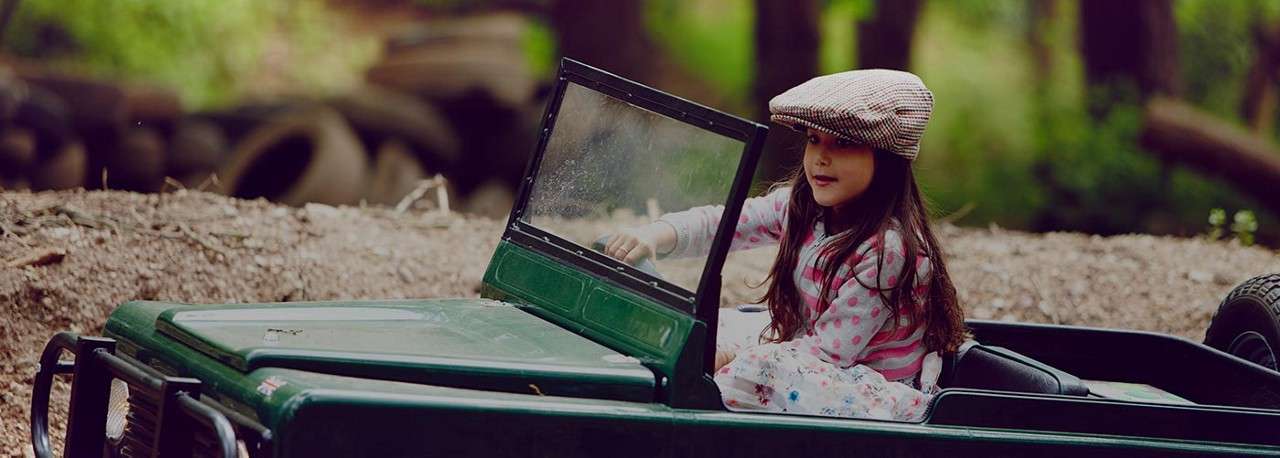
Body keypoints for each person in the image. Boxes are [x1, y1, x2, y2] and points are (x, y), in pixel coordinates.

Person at [601, 69, 966, 421]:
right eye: (813, 140)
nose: (821, 157)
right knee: (712, 326)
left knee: (756, 363)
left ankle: (690, 421)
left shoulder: (889, 250)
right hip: (811, 357)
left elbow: (829, 351)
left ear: (886, 160)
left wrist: (730, 357)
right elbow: (725, 222)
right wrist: (655, 235)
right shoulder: (803, 207)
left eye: (844, 143)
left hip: (864, 388)